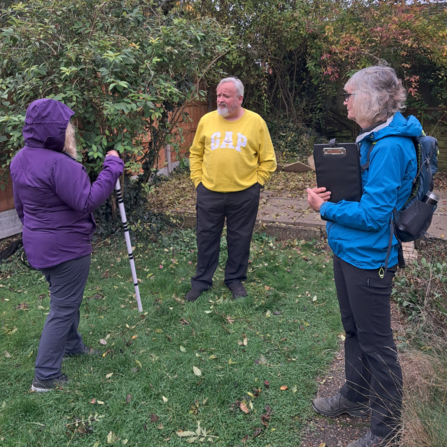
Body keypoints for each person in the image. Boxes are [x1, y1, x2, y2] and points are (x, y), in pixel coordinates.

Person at [307, 66, 421, 447]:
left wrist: (323, 210)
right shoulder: (373, 138)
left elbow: (374, 216)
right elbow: (365, 196)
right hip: (348, 251)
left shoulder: (390, 146)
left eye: (349, 94)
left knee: (377, 344)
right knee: (354, 331)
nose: (345, 101)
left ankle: (387, 429)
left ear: (371, 98)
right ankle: (355, 397)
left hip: (370, 259)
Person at [10, 99, 124, 392]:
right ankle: (45, 377)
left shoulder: (20, 159)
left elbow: (22, 208)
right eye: (67, 127)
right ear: (55, 131)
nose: (70, 132)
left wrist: (37, 232)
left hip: (38, 246)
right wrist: (111, 167)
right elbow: (86, 201)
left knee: (65, 299)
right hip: (67, 249)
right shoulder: (61, 164)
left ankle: (73, 346)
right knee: (62, 308)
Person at [186, 77, 277, 301]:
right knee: (206, 237)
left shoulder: (256, 122)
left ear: (239, 98)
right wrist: (198, 182)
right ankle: (202, 281)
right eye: (218, 95)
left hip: (245, 193)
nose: (220, 100)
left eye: (226, 96)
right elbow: (195, 154)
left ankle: (234, 280)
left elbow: (268, 160)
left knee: (240, 238)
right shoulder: (207, 121)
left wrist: (258, 183)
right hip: (209, 191)